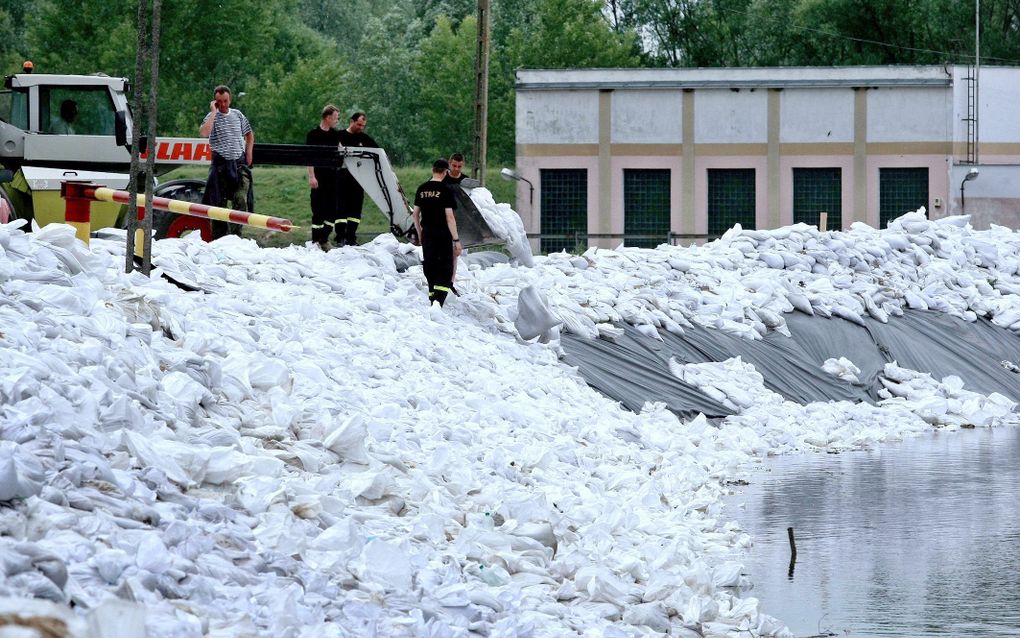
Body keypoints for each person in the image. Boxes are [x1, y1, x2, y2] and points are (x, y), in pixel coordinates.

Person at [199, 85, 254, 239]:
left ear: (230, 99)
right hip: (221, 166)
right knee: (218, 203)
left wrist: (249, 152)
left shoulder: (238, 115)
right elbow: (204, 133)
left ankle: (236, 235)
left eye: (225, 101)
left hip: (239, 164)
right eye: (219, 102)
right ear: (215, 102)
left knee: (240, 199)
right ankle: (219, 237)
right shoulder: (212, 117)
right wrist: (214, 112)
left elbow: (249, 134)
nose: (223, 104)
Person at [413, 159, 462, 307]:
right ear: (445, 172)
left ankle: (432, 296)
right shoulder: (446, 190)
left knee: (430, 265)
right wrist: (456, 240)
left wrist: (420, 232)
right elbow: (449, 217)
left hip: (427, 233)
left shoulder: (422, 189)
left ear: (433, 170)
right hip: (442, 234)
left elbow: (415, 214)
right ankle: (438, 301)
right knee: (445, 267)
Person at [337, 111, 378, 246]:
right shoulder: (340, 136)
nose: (361, 128)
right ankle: (340, 237)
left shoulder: (365, 139)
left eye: (363, 126)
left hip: (359, 178)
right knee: (341, 207)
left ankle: (351, 237)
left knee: (355, 208)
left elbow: (378, 153)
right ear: (352, 121)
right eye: (359, 124)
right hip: (342, 177)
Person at [306, 105, 342, 251]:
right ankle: (316, 240)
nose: (337, 121)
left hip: (332, 178)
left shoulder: (335, 135)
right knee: (318, 210)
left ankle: (324, 239)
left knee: (332, 210)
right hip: (318, 178)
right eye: (335, 118)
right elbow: (309, 157)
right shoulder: (313, 135)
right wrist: (312, 176)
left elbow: (341, 151)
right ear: (327, 118)